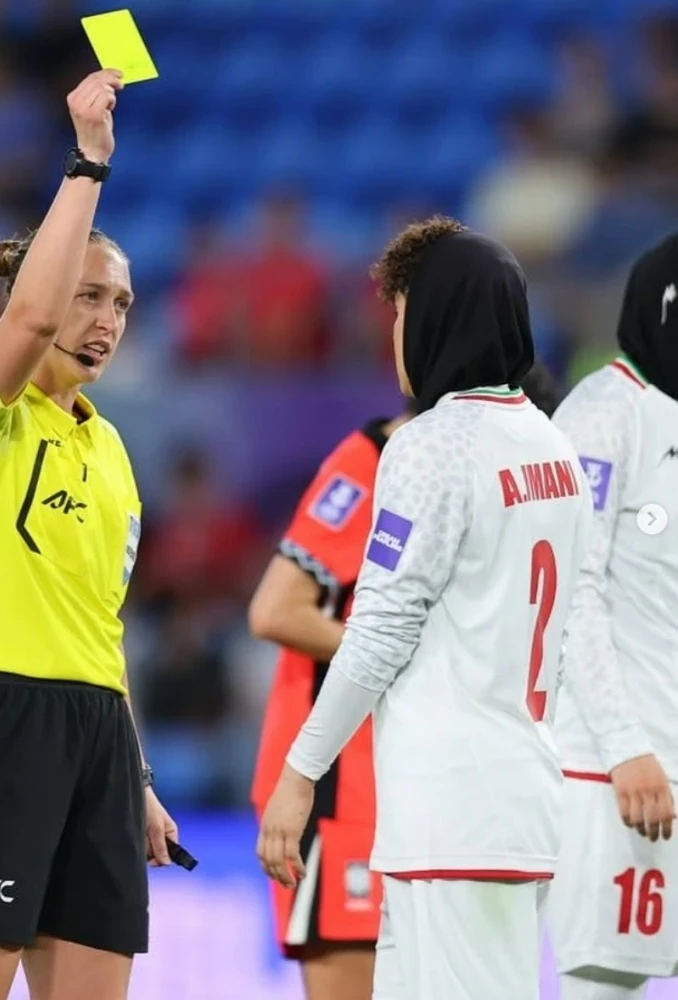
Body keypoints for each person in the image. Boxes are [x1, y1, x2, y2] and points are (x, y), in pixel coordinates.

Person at [256, 215, 592, 1000]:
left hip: (451, 805)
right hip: (519, 799)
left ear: (438, 317)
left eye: (400, 312)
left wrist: (301, 772)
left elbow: (378, 631)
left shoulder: (429, 444)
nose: (395, 334)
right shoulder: (555, 449)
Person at [0, 70, 177, 1000]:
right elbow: (31, 316)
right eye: (90, 297)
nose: (104, 322)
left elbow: (100, 628)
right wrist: (88, 161)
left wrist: (131, 771)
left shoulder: (114, 453)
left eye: (122, 304)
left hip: (95, 735)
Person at [249, 402, 417, 1000]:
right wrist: (410, 660)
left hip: (405, 787)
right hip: (335, 785)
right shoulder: (370, 463)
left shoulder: (446, 475)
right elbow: (275, 609)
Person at [547, 233, 678, 1000]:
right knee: (607, 986)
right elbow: (572, 592)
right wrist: (627, 748)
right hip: (616, 772)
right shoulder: (603, 414)